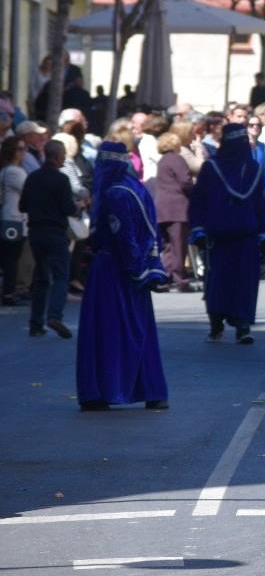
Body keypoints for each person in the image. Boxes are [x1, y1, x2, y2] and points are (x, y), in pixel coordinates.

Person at [74, 143, 169, 411]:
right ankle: (152, 390)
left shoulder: (114, 194)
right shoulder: (138, 188)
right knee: (139, 330)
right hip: (134, 268)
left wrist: (134, 267)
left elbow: (123, 236)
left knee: (107, 330)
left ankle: (103, 390)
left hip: (113, 269)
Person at [189, 123, 265, 345]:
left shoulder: (253, 168)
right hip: (219, 237)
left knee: (243, 281)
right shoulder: (212, 168)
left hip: (245, 235)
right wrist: (198, 229)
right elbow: (200, 200)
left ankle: (242, 326)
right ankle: (217, 325)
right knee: (219, 281)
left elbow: (259, 204)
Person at [19, 139, 76, 339]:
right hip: (55, 231)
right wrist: (79, 205)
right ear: (58, 156)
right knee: (61, 275)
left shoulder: (33, 177)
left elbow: (22, 206)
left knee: (41, 277)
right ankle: (55, 315)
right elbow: (69, 208)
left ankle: (36, 323)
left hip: (36, 232)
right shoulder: (61, 180)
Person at [154, 132, 194, 292]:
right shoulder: (176, 159)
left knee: (169, 246)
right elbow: (185, 181)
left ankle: (166, 277)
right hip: (177, 207)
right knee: (179, 245)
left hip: (163, 208)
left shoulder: (162, 160)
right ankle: (180, 279)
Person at [0, 137, 29, 306]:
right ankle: (9, 293)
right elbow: (29, 191)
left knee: (9, 258)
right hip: (13, 219)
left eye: (24, 148)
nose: (24, 151)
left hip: (9, 217)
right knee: (11, 259)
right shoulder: (14, 172)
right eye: (20, 148)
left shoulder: (6, 171)